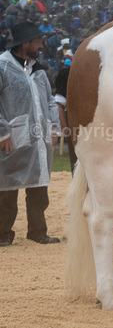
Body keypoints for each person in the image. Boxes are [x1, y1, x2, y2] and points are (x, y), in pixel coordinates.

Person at [0, 22, 60, 245]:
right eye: (37, 42)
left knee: (39, 186)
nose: (41, 46)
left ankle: (38, 231)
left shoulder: (39, 70)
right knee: (7, 187)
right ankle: (3, 233)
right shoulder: (3, 66)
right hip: (11, 139)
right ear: (25, 43)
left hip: (39, 138)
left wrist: (54, 128)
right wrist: (2, 132)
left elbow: (50, 101)